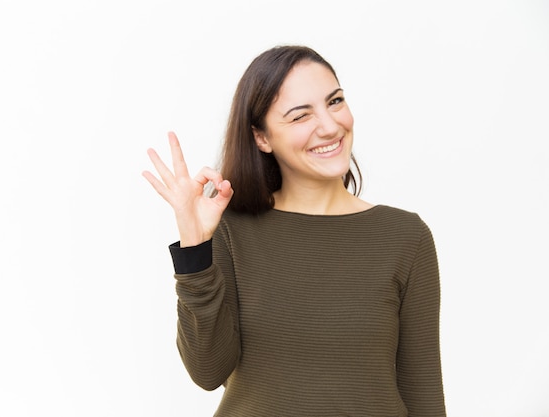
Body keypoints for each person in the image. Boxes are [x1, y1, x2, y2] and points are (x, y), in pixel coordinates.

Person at [142, 45, 446, 416]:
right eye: (301, 116)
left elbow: (423, 392)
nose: (331, 125)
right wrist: (195, 245)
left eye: (335, 101)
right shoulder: (231, 229)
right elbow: (208, 371)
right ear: (261, 138)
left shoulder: (404, 236)